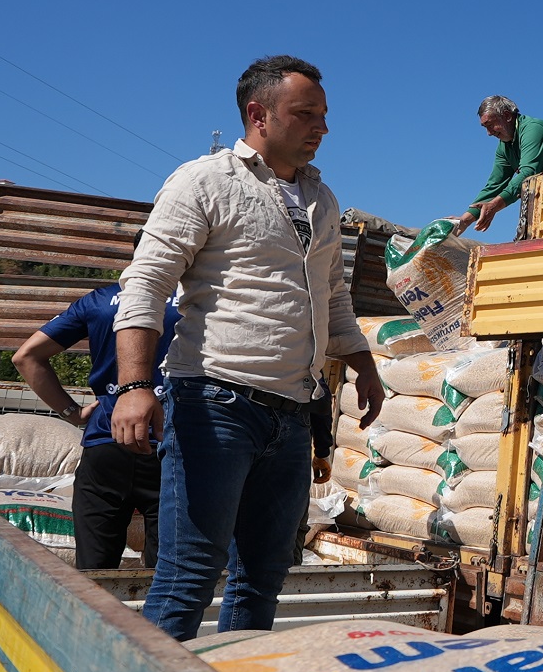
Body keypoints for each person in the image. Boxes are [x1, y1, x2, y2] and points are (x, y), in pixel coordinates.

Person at [111, 55, 386, 641]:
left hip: (292, 413)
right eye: (306, 114)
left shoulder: (321, 198)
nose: (322, 128)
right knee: (189, 574)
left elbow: (332, 292)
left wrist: (362, 362)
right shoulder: (205, 181)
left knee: (262, 578)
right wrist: (134, 387)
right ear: (258, 115)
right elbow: (146, 281)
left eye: (324, 115)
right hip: (215, 403)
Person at [11, 282, 181, 569]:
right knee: (167, 578)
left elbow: (25, 356)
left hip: (106, 441)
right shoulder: (201, 297)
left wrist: (72, 412)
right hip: (175, 446)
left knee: (94, 574)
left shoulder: (100, 300)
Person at [458, 95, 543, 234]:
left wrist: (495, 206)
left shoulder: (533, 130)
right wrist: (464, 221)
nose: (488, 133)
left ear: (507, 116)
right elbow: (494, 185)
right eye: (485, 127)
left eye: (490, 125)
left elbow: (528, 172)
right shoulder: (504, 148)